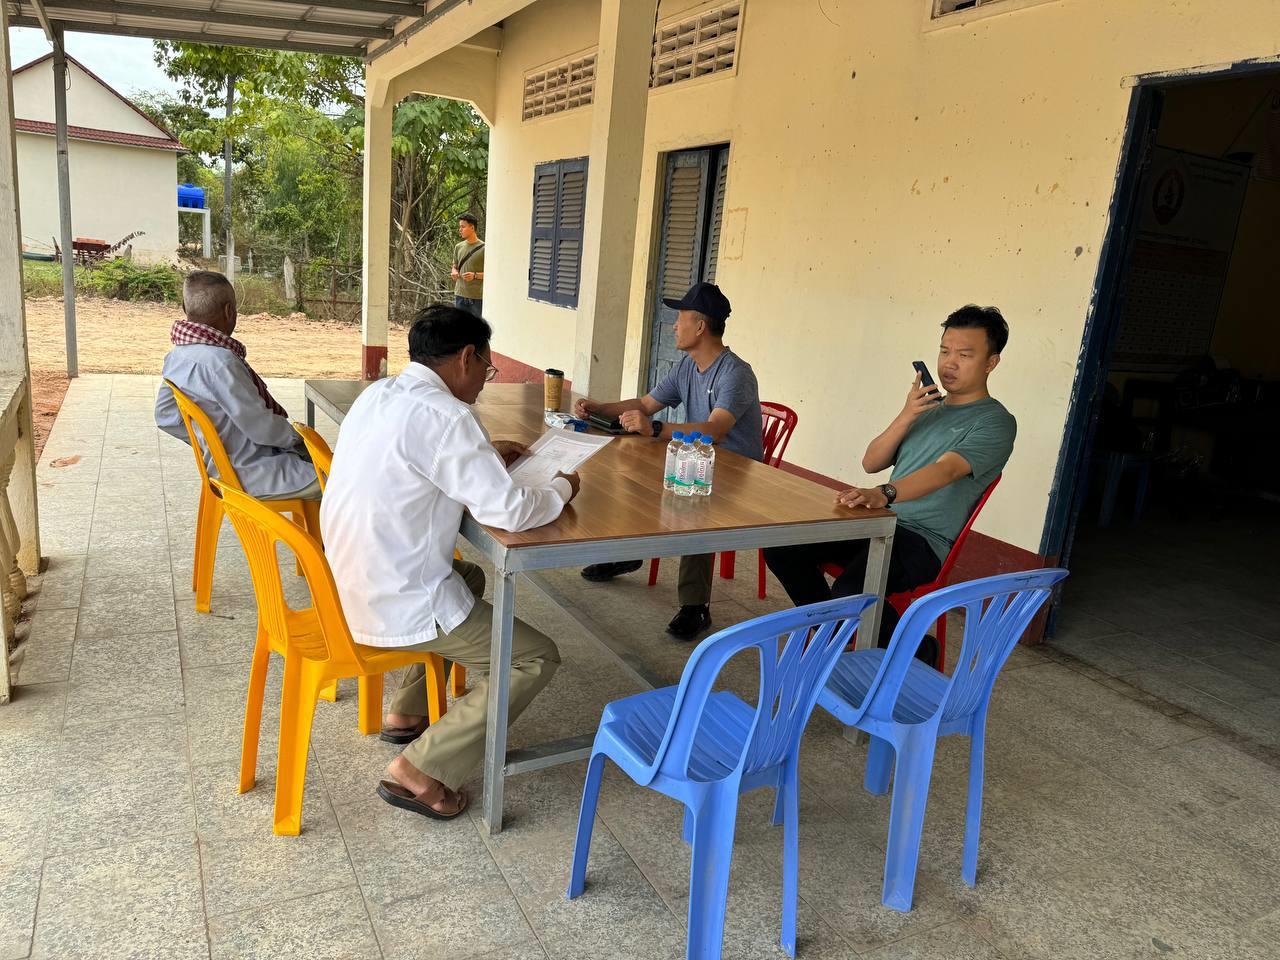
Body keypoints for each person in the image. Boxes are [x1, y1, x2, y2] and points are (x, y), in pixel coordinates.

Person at [321, 304, 580, 820]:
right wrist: (561, 488)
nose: (486, 378)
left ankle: (407, 711)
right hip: (396, 592)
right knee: (533, 657)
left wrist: (486, 454)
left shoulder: (379, 394)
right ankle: (420, 770)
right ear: (466, 357)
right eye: (487, 366)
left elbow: (422, 463)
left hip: (350, 574)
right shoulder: (449, 416)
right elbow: (509, 511)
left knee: (470, 575)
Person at [763, 305, 1016, 668]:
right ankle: (836, 632)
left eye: (965, 355)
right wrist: (907, 414)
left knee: (851, 591)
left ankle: (911, 649)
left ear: (991, 362)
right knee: (782, 547)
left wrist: (885, 493)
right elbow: (871, 462)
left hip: (921, 541)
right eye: (944, 351)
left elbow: (946, 470)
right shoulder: (928, 408)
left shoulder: (995, 421)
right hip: (878, 523)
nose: (949, 363)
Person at [573, 281, 763, 641]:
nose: (674, 326)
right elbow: (646, 405)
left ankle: (695, 606)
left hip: (736, 471)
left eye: (681, 319)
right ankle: (629, 551)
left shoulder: (735, 373)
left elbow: (716, 430)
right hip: (697, 457)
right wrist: (601, 407)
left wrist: (657, 428)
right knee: (630, 469)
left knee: (693, 499)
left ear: (700, 326)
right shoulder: (687, 366)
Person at [154, 270, 319, 500]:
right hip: (256, 473)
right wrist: (299, 439)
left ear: (184, 307)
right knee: (347, 483)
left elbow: (165, 416)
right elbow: (262, 428)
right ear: (229, 311)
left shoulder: (177, 356)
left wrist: (210, 444)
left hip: (221, 469)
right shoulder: (222, 362)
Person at [451, 213, 485, 317]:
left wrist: (475, 275)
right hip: (460, 295)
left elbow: (491, 275)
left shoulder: (484, 248)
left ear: (472, 228)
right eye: (459, 227)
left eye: (463, 227)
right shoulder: (458, 247)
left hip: (477, 298)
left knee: (475, 326)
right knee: (459, 325)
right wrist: (454, 272)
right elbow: (454, 266)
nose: (460, 230)